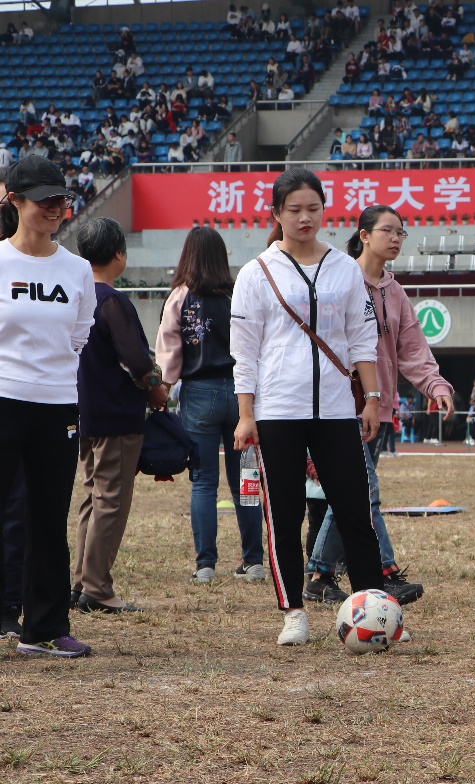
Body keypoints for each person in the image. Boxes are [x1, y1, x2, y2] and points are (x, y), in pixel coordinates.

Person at [229, 168, 386, 647]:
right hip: (278, 409)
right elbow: (245, 351)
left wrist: (372, 398)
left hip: (336, 409)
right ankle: (293, 611)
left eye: (313, 208)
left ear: (324, 210)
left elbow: (362, 339)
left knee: (355, 509)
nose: (304, 218)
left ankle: (373, 607)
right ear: (276, 214)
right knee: (285, 513)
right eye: (294, 209)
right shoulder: (257, 272)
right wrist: (246, 413)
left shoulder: (344, 268)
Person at [304, 205, 454, 606]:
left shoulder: (395, 292)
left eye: (401, 233)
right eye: (388, 230)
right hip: (343, 406)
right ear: (364, 235)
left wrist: (435, 385)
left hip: (380, 409)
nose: (395, 238)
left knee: (350, 494)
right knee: (364, 492)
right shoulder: (339, 281)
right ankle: (383, 571)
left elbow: (413, 350)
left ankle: (320, 575)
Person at [0, 156, 95, 657]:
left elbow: (78, 336)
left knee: (48, 515)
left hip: (57, 405)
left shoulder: (77, 269)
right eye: (44, 200)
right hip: (3, 398)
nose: (55, 209)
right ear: (14, 200)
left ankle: (44, 627)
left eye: (61, 199)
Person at [157, 227, 265, 583]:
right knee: (245, 480)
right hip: (242, 394)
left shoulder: (180, 296)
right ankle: (253, 562)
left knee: (203, 482)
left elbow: (169, 353)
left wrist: (162, 390)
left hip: (199, 392)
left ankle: (205, 566)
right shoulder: (238, 294)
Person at [71, 218, 167, 614]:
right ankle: (97, 587)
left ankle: (81, 581)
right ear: (119, 254)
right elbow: (137, 361)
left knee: (92, 499)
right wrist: (156, 385)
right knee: (111, 500)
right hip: (116, 413)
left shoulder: (76, 296)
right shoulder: (111, 301)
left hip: (85, 412)